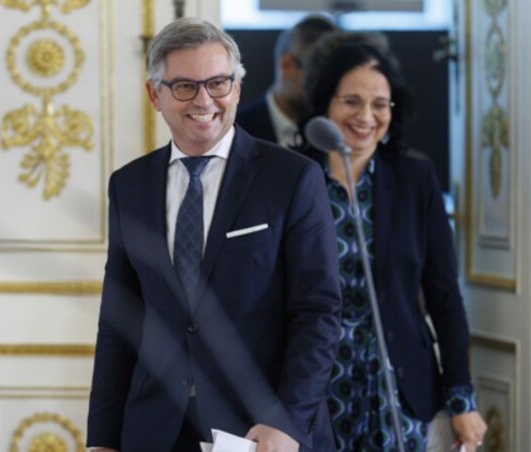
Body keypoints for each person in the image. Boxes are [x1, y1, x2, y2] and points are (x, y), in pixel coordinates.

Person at [86, 18, 342, 452]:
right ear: (155, 95)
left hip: (261, 431)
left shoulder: (294, 178)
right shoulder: (128, 186)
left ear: (238, 88)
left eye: (218, 83)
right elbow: (119, 320)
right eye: (184, 86)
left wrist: (287, 422)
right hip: (157, 430)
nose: (204, 99)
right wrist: (102, 440)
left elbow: (317, 313)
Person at [297, 34, 488, 451]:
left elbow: (444, 295)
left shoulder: (415, 178)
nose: (366, 115)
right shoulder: (292, 177)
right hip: (313, 388)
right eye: (351, 101)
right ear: (325, 104)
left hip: (398, 385)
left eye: (380, 104)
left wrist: (462, 397)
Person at [235, 14, 338, 148]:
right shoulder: (237, 129)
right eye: (317, 77)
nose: (326, 89)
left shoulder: (332, 132)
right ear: (287, 65)